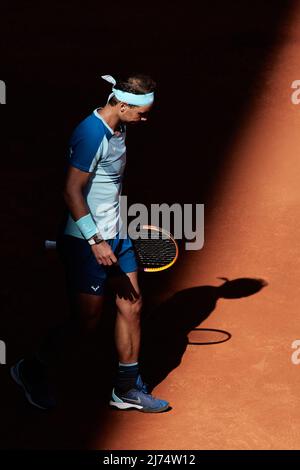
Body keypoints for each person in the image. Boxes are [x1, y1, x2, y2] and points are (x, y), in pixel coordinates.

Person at [10, 74, 170, 413]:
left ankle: (125, 389)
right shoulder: (90, 135)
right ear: (123, 105)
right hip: (87, 240)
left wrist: (114, 228)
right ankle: (31, 368)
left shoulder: (120, 126)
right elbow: (71, 190)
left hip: (116, 233)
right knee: (88, 320)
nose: (146, 119)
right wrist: (96, 240)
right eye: (142, 112)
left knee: (132, 306)